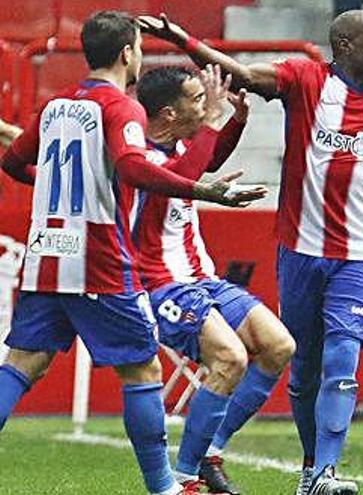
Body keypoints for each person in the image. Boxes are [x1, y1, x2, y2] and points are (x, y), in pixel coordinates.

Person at [138, 9, 363, 495]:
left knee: (343, 354)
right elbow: (242, 75)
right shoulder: (304, 79)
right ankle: (290, 466)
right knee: (299, 363)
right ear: (345, 45)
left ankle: (324, 472)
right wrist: (185, 41)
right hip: (301, 249)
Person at [0, 11, 262, 495]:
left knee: (21, 366)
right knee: (142, 369)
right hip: (98, 259)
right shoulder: (123, 109)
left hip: (46, 256)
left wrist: (60, 199)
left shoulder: (58, 105)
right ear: (128, 53)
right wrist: (208, 194)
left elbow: (13, 162)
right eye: (140, 47)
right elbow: (136, 170)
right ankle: (165, 487)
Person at [132, 65, 296, 494]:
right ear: (169, 112)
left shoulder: (180, 145)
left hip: (201, 278)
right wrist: (213, 121)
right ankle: (186, 476)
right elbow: (185, 177)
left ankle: (209, 450)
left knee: (279, 346)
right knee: (231, 359)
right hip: (160, 283)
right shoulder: (141, 158)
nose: (206, 102)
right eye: (197, 98)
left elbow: (207, 159)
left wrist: (237, 120)